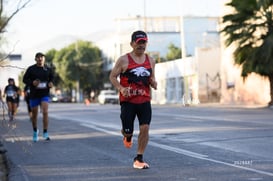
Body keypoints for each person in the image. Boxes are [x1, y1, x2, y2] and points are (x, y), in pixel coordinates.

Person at [109, 30, 157, 169]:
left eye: (144, 42)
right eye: (139, 43)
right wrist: (121, 88)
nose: (141, 45)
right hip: (128, 101)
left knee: (145, 128)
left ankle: (139, 158)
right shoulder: (124, 60)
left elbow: (151, 78)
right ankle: (127, 135)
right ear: (132, 44)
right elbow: (112, 76)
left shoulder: (151, 60)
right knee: (128, 131)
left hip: (144, 100)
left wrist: (153, 83)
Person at [23, 52, 54, 142]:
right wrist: (32, 83)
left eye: (42, 57)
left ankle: (45, 132)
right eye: (38, 57)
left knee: (45, 111)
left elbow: (52, 78)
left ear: (44, 59)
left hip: (44, 93)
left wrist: (51, 83)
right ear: (35, 59)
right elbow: (24, 79)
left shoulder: (48, 69)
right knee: (35, 115)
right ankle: (35, 131)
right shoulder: (31, 69)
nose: (40, 59)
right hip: (34, 94)